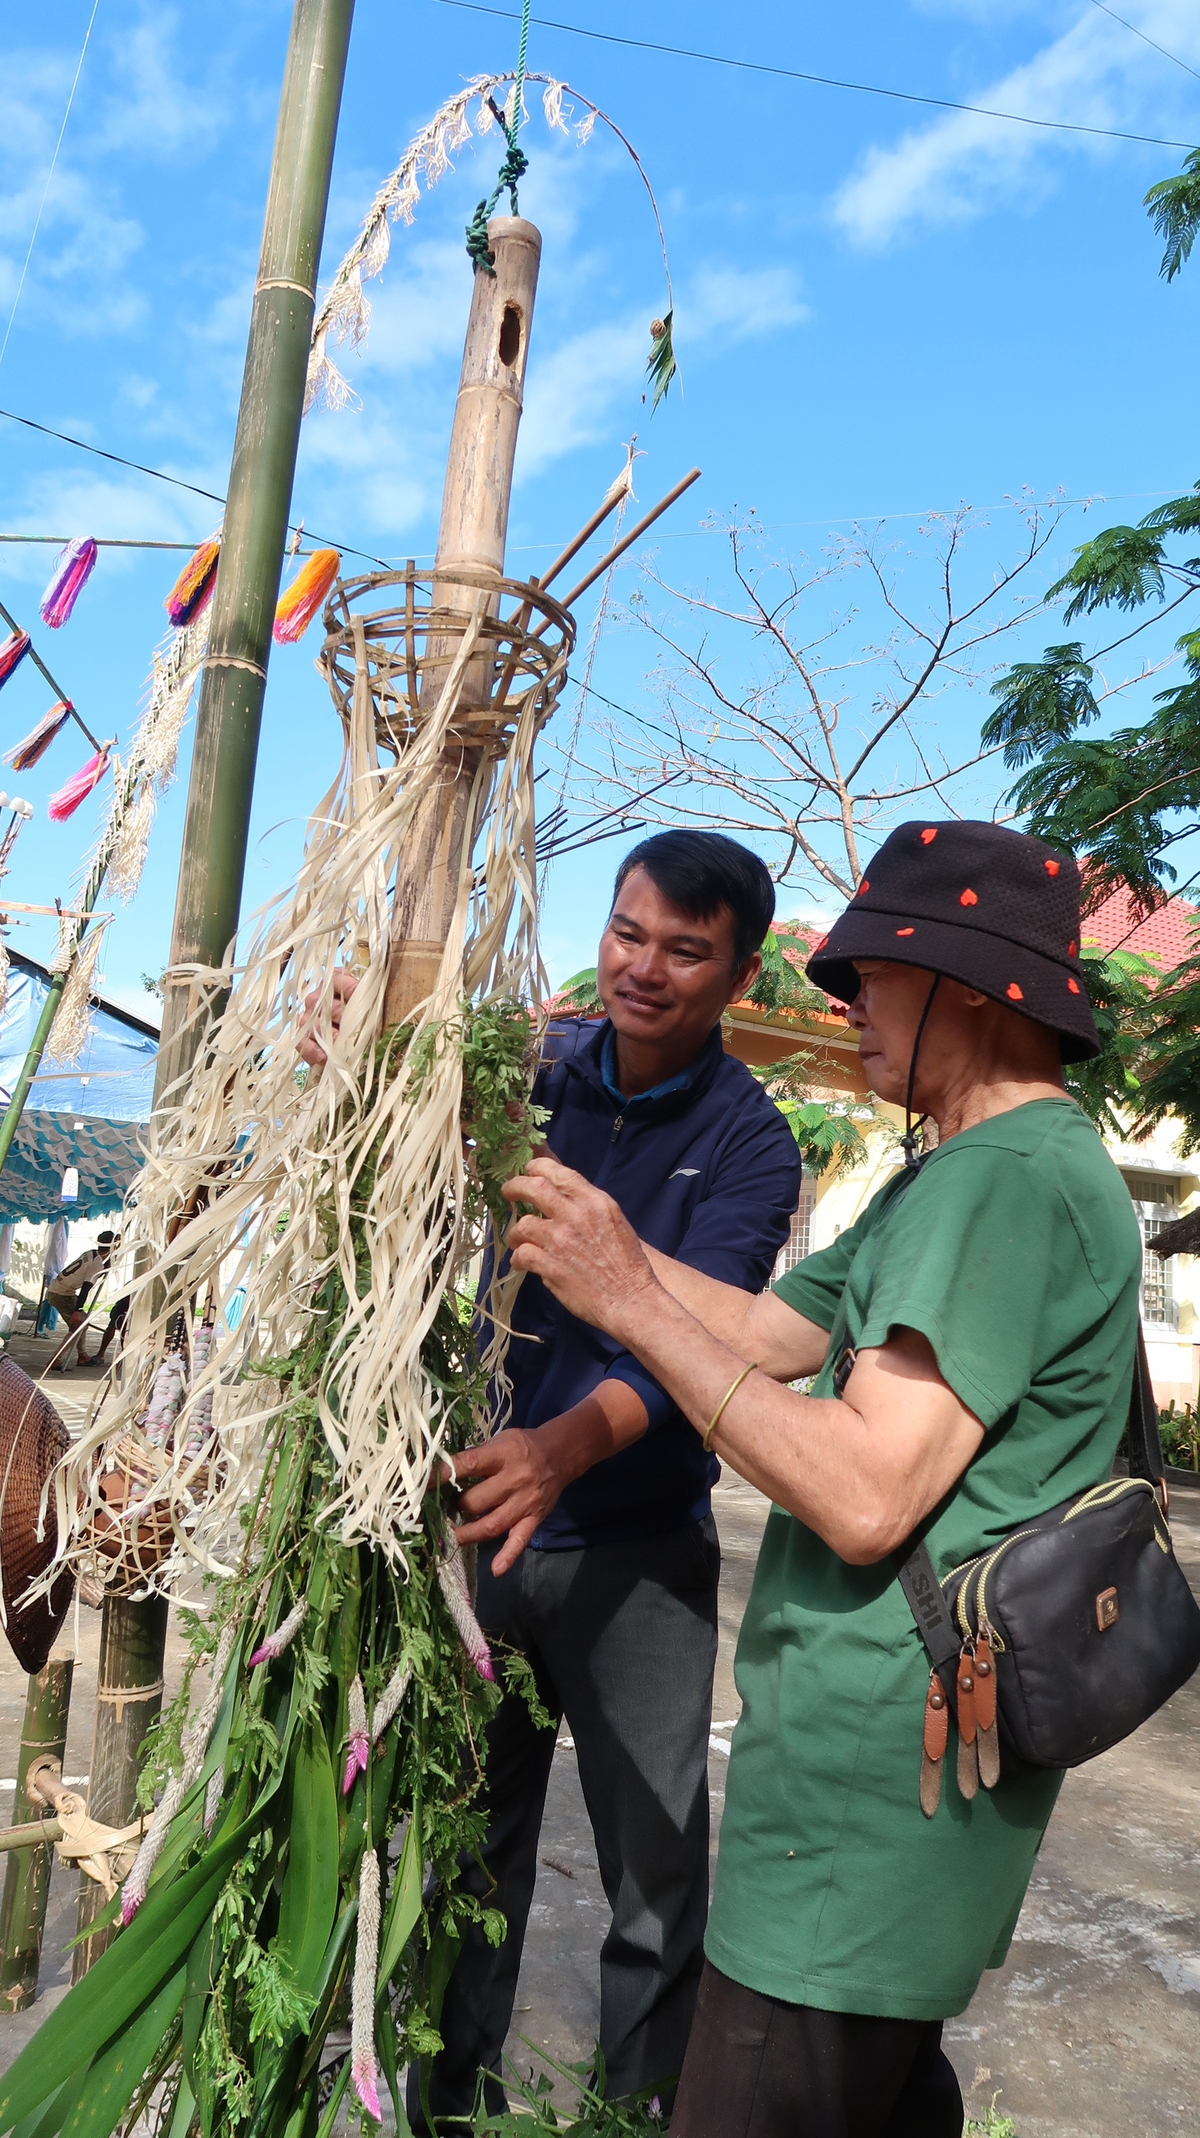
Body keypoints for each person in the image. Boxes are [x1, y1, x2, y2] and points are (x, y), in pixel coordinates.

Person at [501, 820, 1142, 2138]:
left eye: (872, 979)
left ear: (962, 989)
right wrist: (587, 1231)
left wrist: (623, 1289)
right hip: (874, 1789)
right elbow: (760, 1333)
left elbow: (861, 1494)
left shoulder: (1007, 1181)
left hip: (868, 1813)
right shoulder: (951, 1171)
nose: (843, 1006)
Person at [299, 831, 802, 2124]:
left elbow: (706, 1347)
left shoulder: (753, 1142)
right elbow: (404, 1097)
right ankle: (442, 2106)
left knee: (655, 1872)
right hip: (483, 1521)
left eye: (686, 950)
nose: (644, 967)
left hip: (638, 1546)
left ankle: (632, 2111)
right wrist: (363, 1050)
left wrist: (563, 1449)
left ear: (739, 974)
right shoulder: (533, 1066)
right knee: (466, 1849)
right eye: (627, 932)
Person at [46, 1231, 119, 1372]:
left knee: (82, 1324)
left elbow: (101, 1268)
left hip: (59, 1290)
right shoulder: (96, 1264)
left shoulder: (91, 1253)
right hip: (61, 1294)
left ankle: (82, 1355)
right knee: (78, 1326)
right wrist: (78, 1310)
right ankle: (55, 1360)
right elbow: (86, 1287)